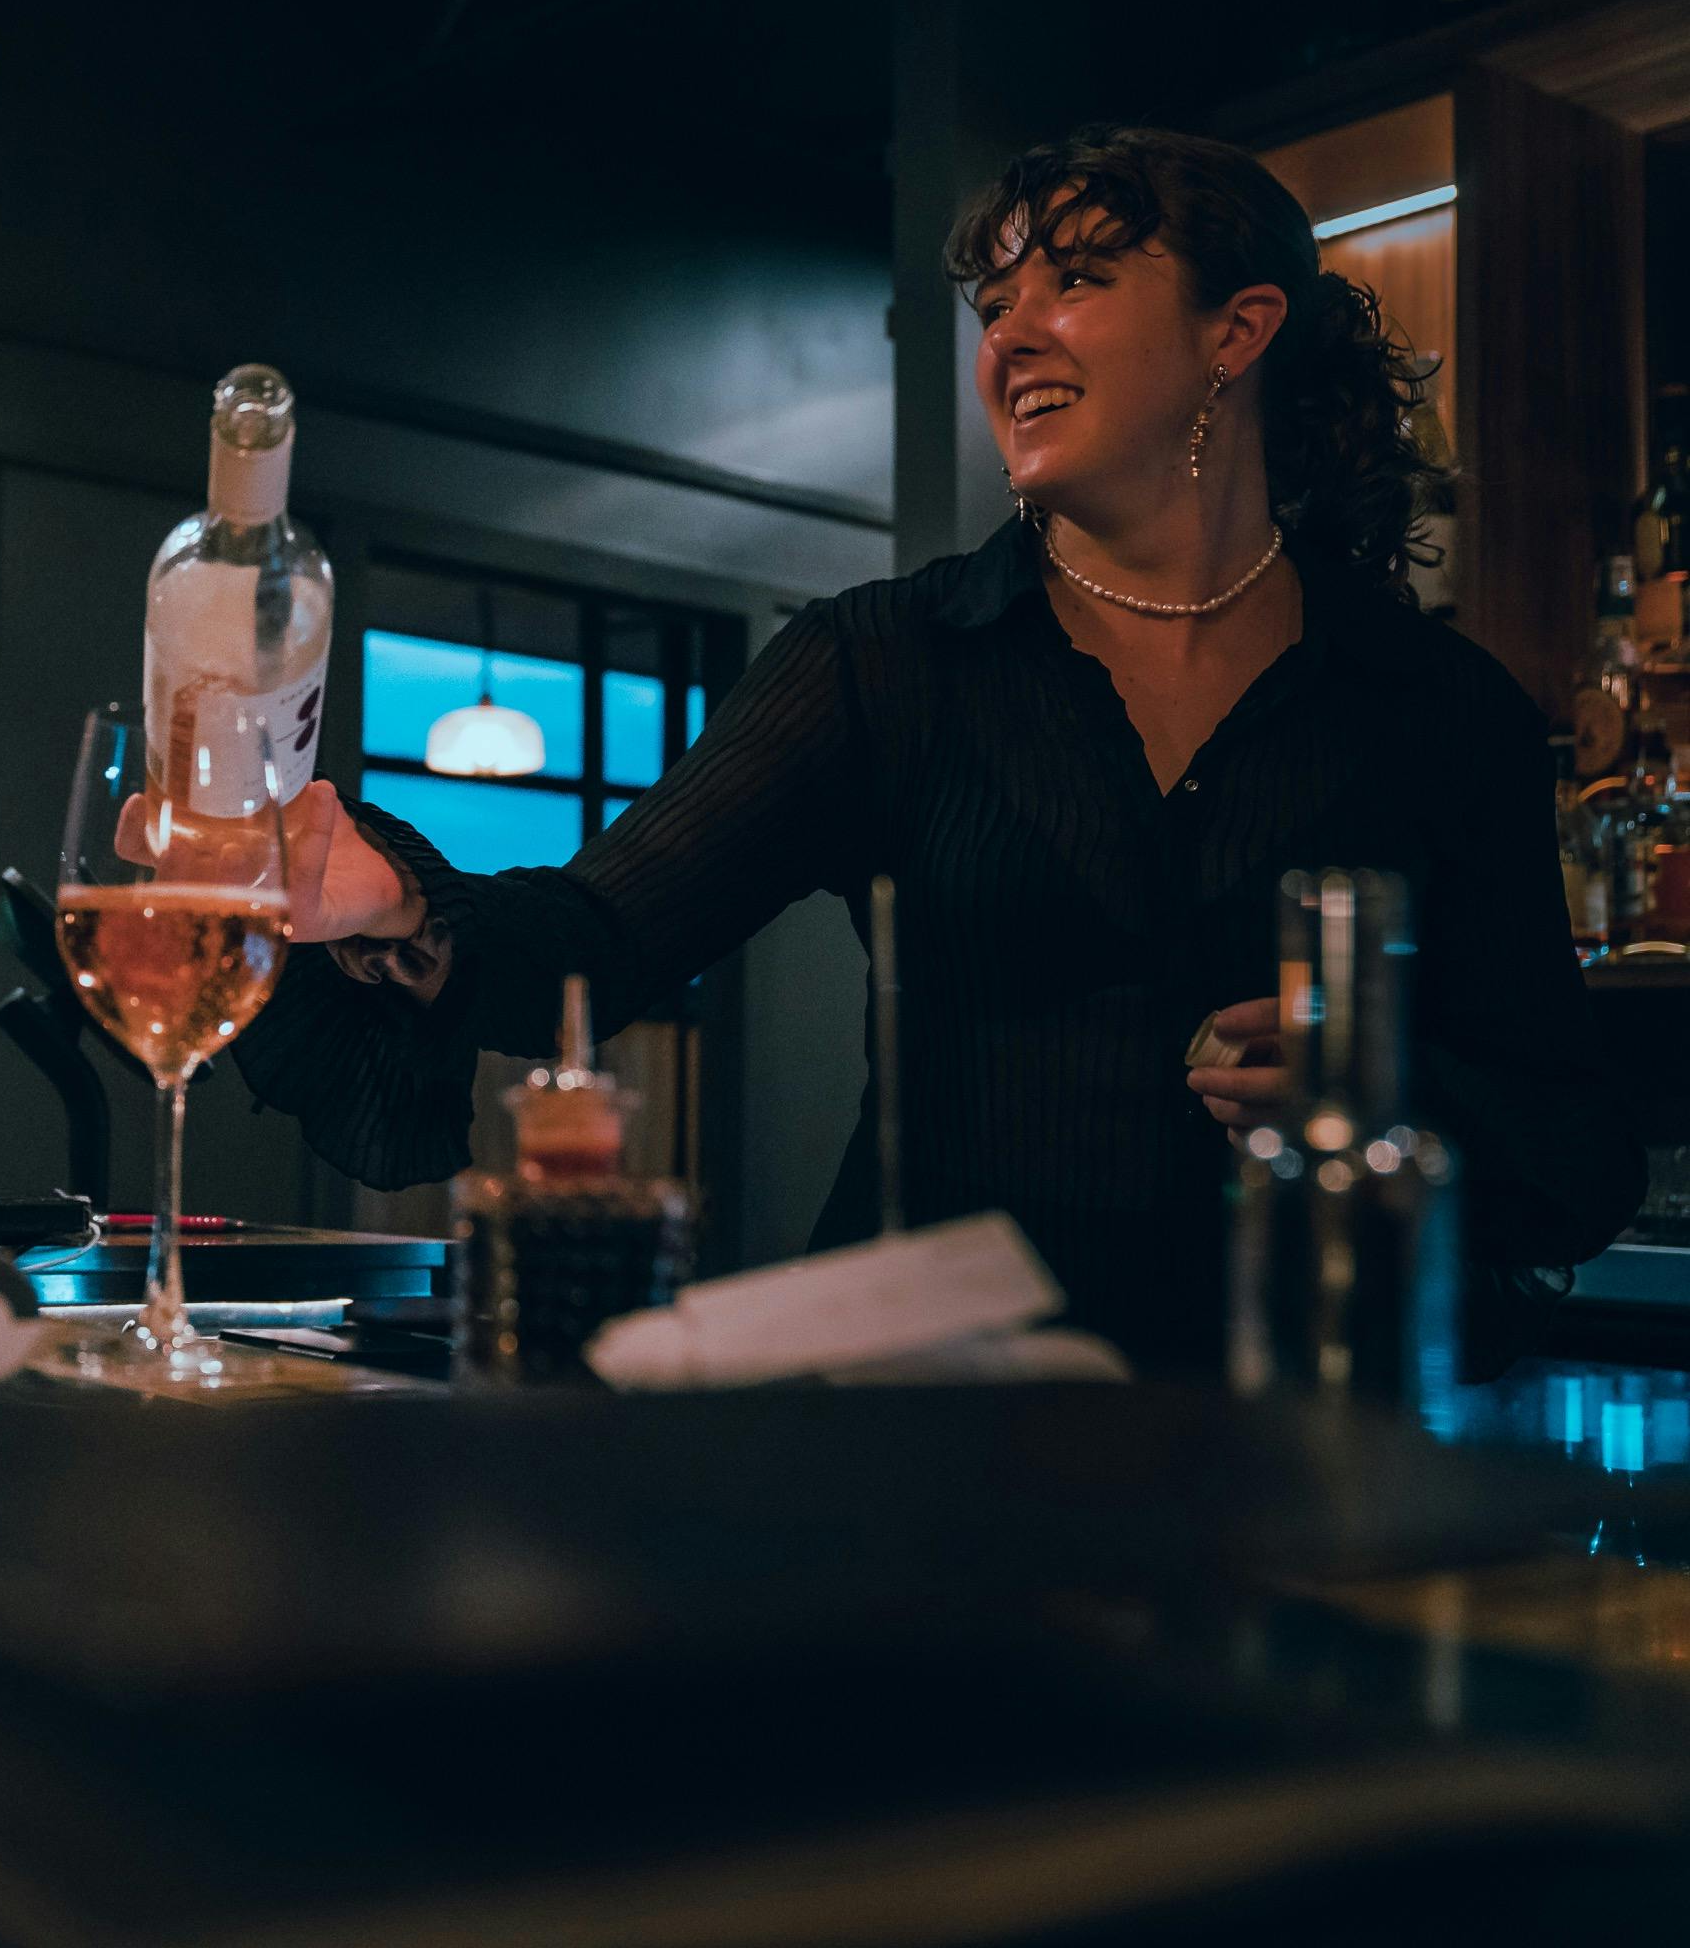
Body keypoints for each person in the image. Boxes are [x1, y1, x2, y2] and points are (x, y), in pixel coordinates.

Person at [238, 125, 1639, 1375]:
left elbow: (1580, 1156)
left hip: (1328, 1440)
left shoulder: (1436, 705)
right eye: (993, 305)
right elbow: (602, 938)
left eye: (1075, 282)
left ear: (1240, 328)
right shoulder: (887, 659)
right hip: (947, 1432)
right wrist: (404, 900)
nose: (1010, 338)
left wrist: (1395, 1098)